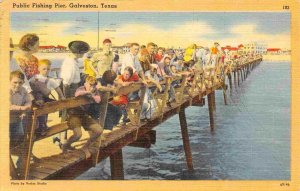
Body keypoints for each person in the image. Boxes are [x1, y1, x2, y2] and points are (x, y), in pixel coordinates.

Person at [61, 76, 103, 157]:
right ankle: (65, 146)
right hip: (74, 114)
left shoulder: (95, 91)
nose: (92, 87)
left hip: (84, 115)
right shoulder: (81, 88)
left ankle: (85, 147)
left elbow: (98, 100)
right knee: (78, 135)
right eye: (90, 85)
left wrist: (92, 95)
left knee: (99, 130)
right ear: (85, 84)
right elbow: (77, 94)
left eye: (93, 85)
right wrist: (88, 93)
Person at [29, 59, 65, 135]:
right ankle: (38, 128)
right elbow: (29, 88)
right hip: (35, 99)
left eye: (48, 69)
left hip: (45, 99)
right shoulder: (34, 78)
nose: (46, 70)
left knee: (45, 114)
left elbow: (57, 88)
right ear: (38, 68)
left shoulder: (50, 80)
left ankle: (43, 127)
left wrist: (61, 96)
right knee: (37, 116)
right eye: (44, 69)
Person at [10, 71, 32, 168]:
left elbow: (28, 101)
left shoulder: (23, 90)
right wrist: (21, 108)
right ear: (9, 81)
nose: (17, 85)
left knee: (19, 139)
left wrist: (25, 108)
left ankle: (19, 165)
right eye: (15, 82)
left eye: (20, 82)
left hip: (17, 120)